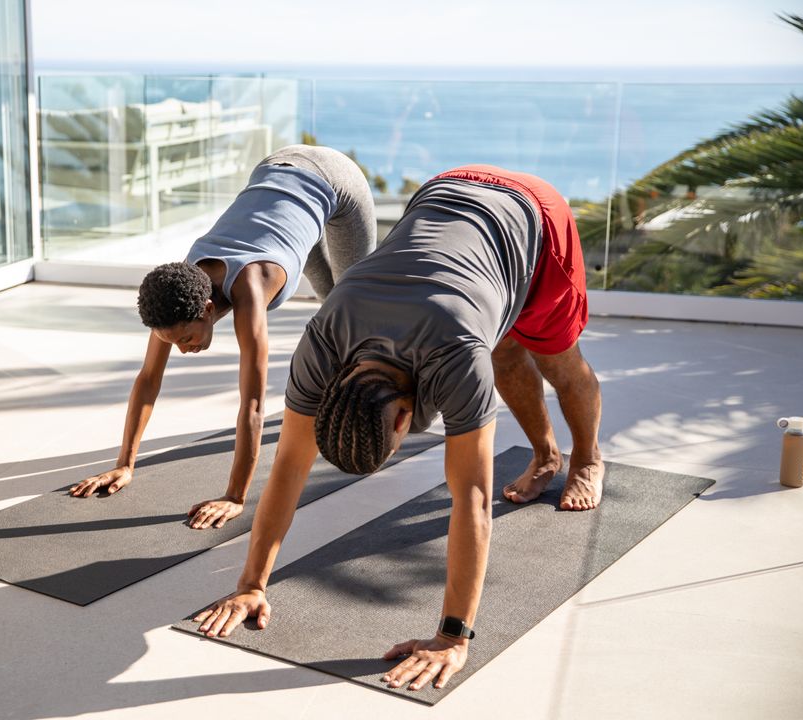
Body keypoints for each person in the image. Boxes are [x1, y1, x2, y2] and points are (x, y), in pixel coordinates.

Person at [192, 165, 604, 692]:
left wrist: (454, 636)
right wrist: (250, 584)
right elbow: (290, 467)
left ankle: (586, 456)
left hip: (535, 219)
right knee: (499, 348)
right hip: (443, 191)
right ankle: (546, 455)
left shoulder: (455, 356)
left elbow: (472, 499)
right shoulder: (324, 341)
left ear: (406, 420)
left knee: (557, 361)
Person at [69, 145, 377, 529]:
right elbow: (148, 378)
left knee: (357, 308)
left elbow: (252, 404)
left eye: (185, 338)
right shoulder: (177, 289)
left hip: (333, 179)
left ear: (208, 310)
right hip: (274, 178)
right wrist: (124, 465)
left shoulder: (250, 288)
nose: (182, 349)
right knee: (331, 300)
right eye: (173, 342)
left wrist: (235, 496)